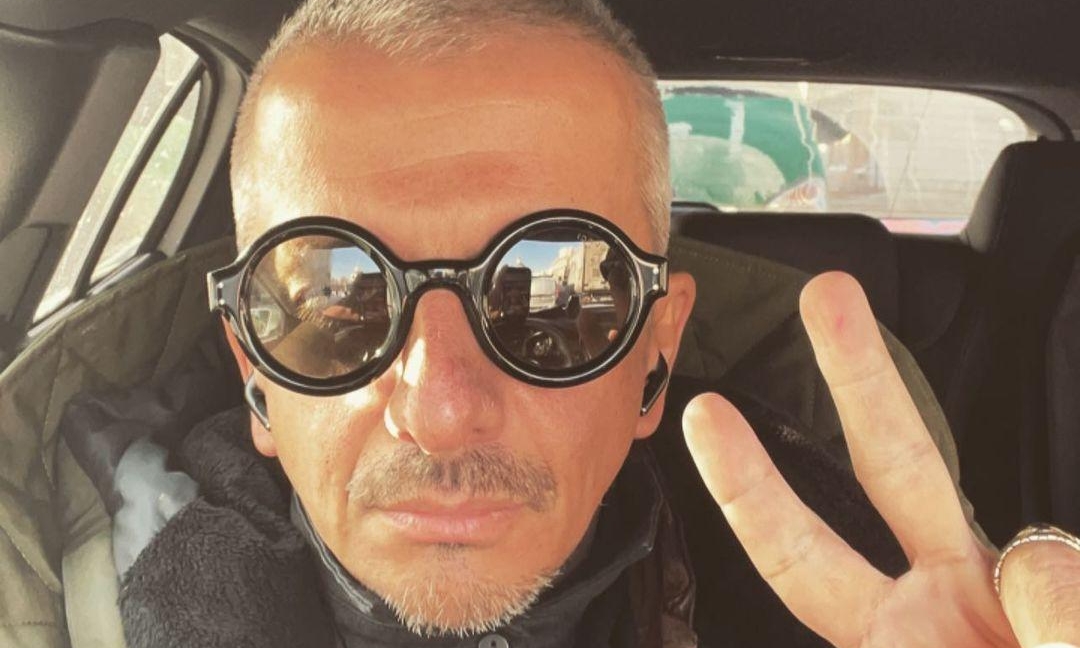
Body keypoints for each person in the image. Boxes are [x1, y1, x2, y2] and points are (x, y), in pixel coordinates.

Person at [91, 0, 1079, 646]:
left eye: (552, 298)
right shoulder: (61, 606)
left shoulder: (861, 612)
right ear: (256, 370)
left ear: (654, 356)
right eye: (335, 296)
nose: (441, 412)